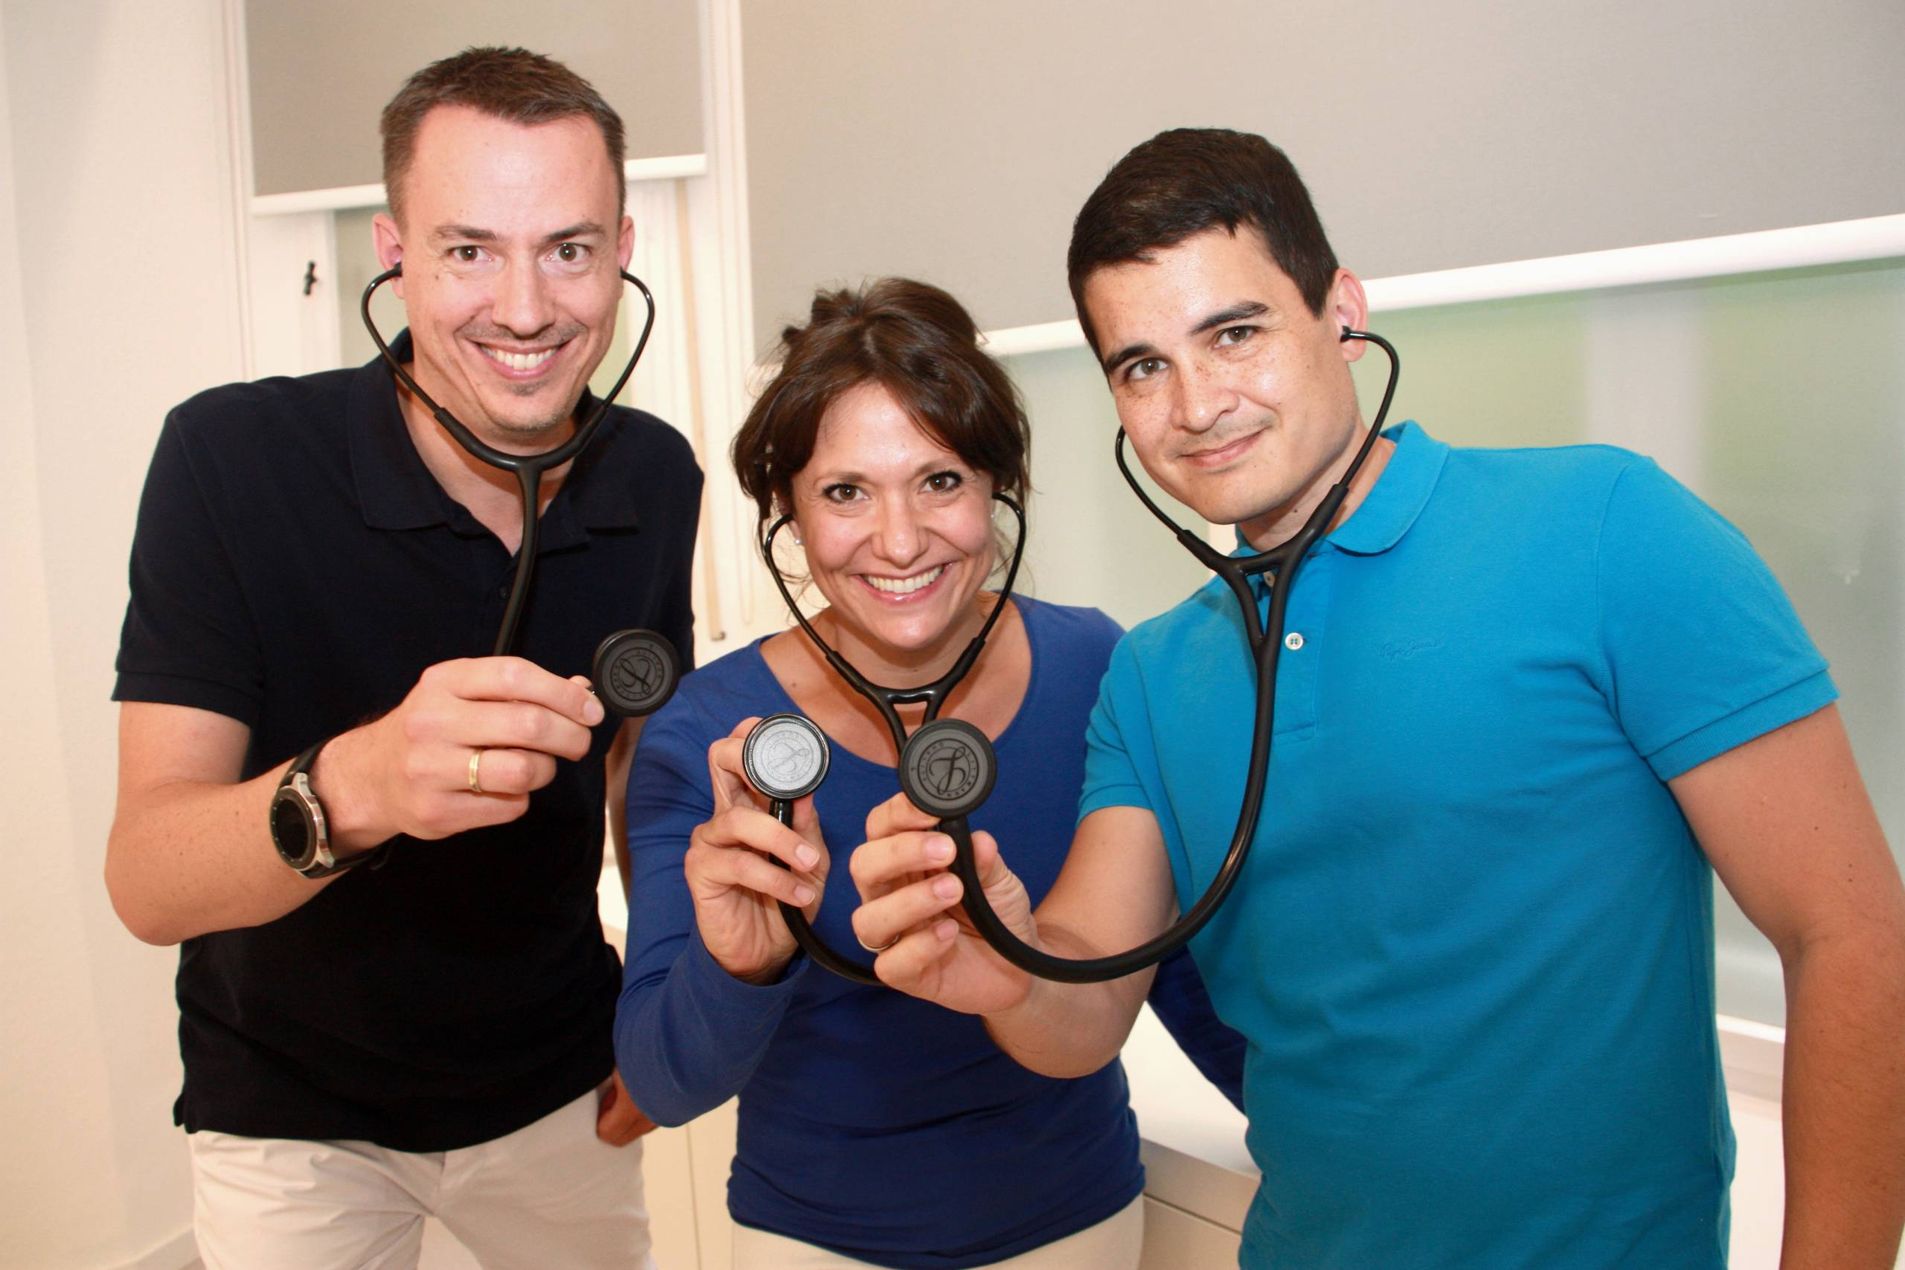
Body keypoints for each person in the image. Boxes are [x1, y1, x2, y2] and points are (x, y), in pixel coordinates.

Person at [848, 129, 1905, 1268]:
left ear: (1341, 311)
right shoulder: (1152, 676)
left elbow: (1851, 935)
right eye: (1142, 365)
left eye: (1235, 333)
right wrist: (999, 960)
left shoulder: (1607, 530)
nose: (1196, 404)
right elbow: (1086, 1011)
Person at [105, 48, 697, 1268]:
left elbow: (644, 767)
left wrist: (662, 1010)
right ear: (394, 250)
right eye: (470, 249)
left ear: (624, 246)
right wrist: (356, 787)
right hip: (294, 1112)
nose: (527, 308)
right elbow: (148, 879)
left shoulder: (653, 474)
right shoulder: (231, 463)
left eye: (570, 249)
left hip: (559, 1083)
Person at [613, 277, 1245, 1269]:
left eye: (940, 480)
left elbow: (1176, 965)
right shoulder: (707, 732)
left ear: (999, 485)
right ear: (787, 509)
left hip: (1080, 1227)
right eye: (845, 492)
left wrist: (1347, 1142)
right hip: (814, 1244)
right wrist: (740, 959)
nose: (899, 540)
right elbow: (665, 1079)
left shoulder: (1095, 668)